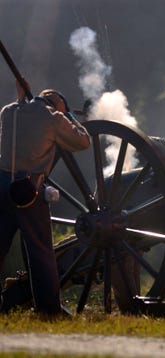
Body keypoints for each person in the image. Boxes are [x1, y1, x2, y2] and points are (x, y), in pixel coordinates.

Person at [0, 80, 90, 316]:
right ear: (58, 104)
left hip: (3, 188)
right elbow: (83, 142)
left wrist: (21, 99)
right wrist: (69, 117)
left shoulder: (9, 112)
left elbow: (16, 117)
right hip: (30, 191)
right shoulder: (54, 118)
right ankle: (48, 311)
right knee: (41, 254)